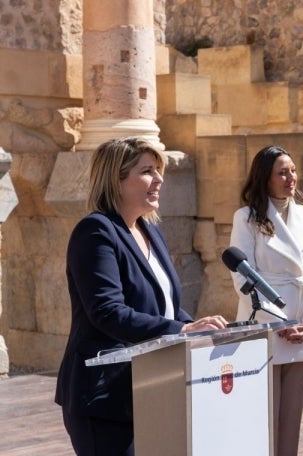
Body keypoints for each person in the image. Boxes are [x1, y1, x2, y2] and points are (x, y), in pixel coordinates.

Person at [55, 137, 228, 456]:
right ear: (116, 180)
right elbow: (107, 312)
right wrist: (182, 331)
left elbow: (165, 307)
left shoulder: (151, 232)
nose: (160, 179)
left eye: (159, 171)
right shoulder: (96, 232)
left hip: (151, 390)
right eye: (148, 171)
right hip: (104, 397)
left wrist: (194, 325)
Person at [228, 145, 303, 456]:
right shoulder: (246, 218)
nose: (291, 178)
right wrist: (281, 323)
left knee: (291, 423)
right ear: (265, 178)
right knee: (263, 420)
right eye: (282, 172)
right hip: (268, 331)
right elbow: (243, 278)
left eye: (293, 171)